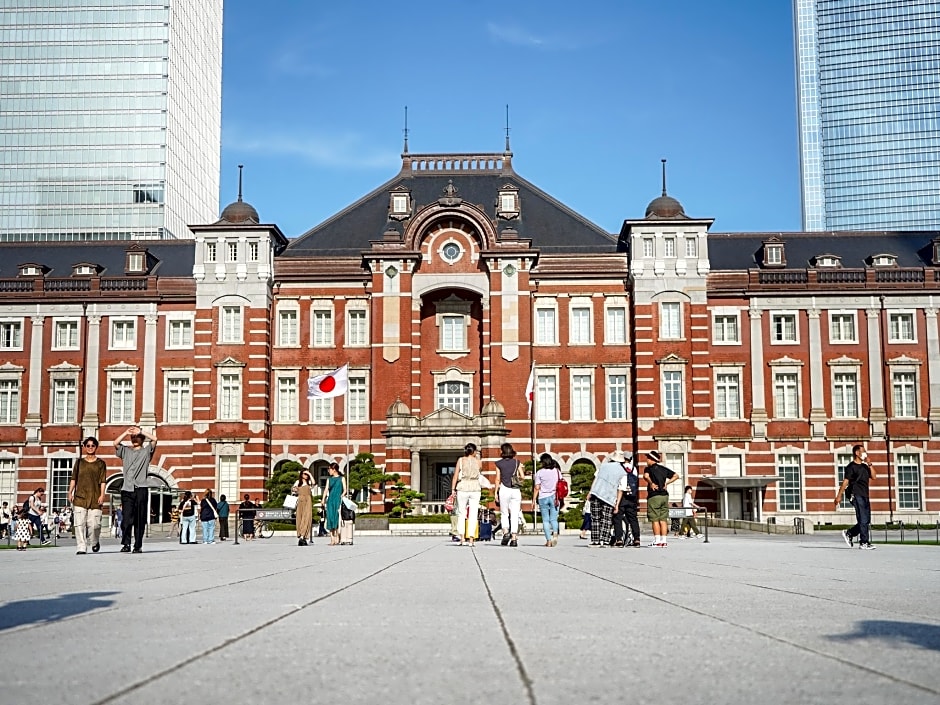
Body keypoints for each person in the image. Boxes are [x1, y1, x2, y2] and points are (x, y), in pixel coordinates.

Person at [114, 425, 156, 554]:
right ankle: (126, 543)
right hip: (127, 489)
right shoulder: (126, 451)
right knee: (126, 519)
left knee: (139, 519)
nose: (135, 438)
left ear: (142, 438)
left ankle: (138, 545)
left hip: (141, 489)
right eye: (133, 437)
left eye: (137, 437)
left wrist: (141, 431)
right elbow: (115, 443)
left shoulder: (146, 451)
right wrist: (126, 432)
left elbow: (155, 439)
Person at [68, 436, 107, 555]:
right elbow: (74, 478)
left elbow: (103, 481)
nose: (90, 448)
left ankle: (94, 541)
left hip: (95, 497)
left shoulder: (101, 463)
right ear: (84, 447)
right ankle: (81, 546)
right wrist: (70, 492)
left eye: (93, 445)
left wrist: (102, 495)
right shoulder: (79, 462)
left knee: (95, 524)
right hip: (80, 497)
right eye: (88, 445)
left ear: (96, 447)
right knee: (79, 523)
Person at [835, 444, 877, 550]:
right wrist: (839, 496)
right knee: (862, 518)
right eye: (863, 451)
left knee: (866, 520)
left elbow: (874, 476)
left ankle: (850, 533)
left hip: (865, 494)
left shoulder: (864, 466)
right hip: (855, 494)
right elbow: (845, 482)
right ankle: (864, 542)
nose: (865, 453)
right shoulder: (851, 467)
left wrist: (870, 464)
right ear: (857, 453)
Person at [587, 452, 627, 546]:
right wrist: (617, 504)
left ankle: (595, 541)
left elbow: (596, 479)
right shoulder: (623, 472)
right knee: (607, 519)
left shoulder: (603, 466)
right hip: (609, 497)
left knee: (595, 518)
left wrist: (590, 492)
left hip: (596, 493)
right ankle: (604, 540)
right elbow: (621, 489)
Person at [643, 450, 678, 547]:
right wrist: (667, 483)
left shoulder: (648, 469)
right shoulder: (663, 469)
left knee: (655, 519)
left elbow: (645, 476)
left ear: (651, 459)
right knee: (663, 519)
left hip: (654, 496)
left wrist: (651, 483)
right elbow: (676, 475)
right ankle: (664, 541)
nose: (646, 460)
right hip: (664, 496)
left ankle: (657, 540)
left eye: (648, 458)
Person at [450, 443, 482, 547]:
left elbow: (455, 476)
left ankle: (462, 538)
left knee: (461, 513)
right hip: (475, 487)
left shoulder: (460, 460)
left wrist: (453, 489)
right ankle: (471, 540)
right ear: (474, 451)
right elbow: (479, 471)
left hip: (463, 486)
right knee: (473, 514)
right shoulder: (478, 461)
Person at [495, 442, 523, 547]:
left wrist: (495, 493)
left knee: (504, 513)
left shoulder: (499, 463)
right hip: (515, 490)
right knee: (515, 514)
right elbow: (523, 476)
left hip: (504, 489)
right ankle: (514, 538)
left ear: (502, 451)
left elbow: (497, 479)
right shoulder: (517, 462)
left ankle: (506, 532)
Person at [612, 451, 641, 547]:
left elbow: (619, 483)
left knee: (618, 517)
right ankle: (636, 539)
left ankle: (619, 539)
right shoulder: (634, 468)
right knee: (633, 518)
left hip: (622, 495)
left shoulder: (620, 468)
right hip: (632, 496)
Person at [533, 453, 561, 547]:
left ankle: (548, 541)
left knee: (545, 520)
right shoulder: (557, 471)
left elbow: (537, 487)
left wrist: (533, 500)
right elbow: (561, 483)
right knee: (553, 519)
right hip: (554, 497)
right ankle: (555, 534)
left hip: (543, 497)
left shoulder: (540, 472)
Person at [321, 462, 346, 546]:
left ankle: (337, 537)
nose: (328, 471)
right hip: (330, 501)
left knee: (336, 519)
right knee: (330, 518)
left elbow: (345, 490)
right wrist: (323, 500)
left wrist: (342, 495)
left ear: (334, 469)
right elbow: (326, 490)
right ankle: (332, 539)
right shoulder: (329, 479)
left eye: (329, 469)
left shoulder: (342, 478)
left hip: (338, 500)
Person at [293, 469, 314, 546]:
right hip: (300, 500)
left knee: (307, 518)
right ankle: (302, 537)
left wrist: (309, 473)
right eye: (305, 474)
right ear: (301, 474)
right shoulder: (298, 482)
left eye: (307, 474)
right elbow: (293, 489)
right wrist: (295, 489)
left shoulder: (309, 482)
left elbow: (314, 483)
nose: (306, 475)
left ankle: (303, 537)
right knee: (300, 518)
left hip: (308, 501)